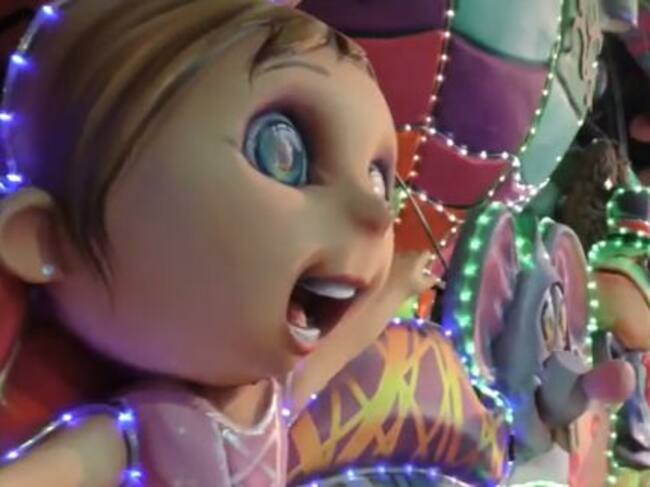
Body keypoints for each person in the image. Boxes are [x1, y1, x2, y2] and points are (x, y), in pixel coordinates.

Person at [0, 1, 434, 485]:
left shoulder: (267, 401)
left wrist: (397, 287)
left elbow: (338, 351)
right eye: (281, 152)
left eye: (376, 178)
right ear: (46, 240)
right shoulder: (143, 430)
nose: (377, 214)